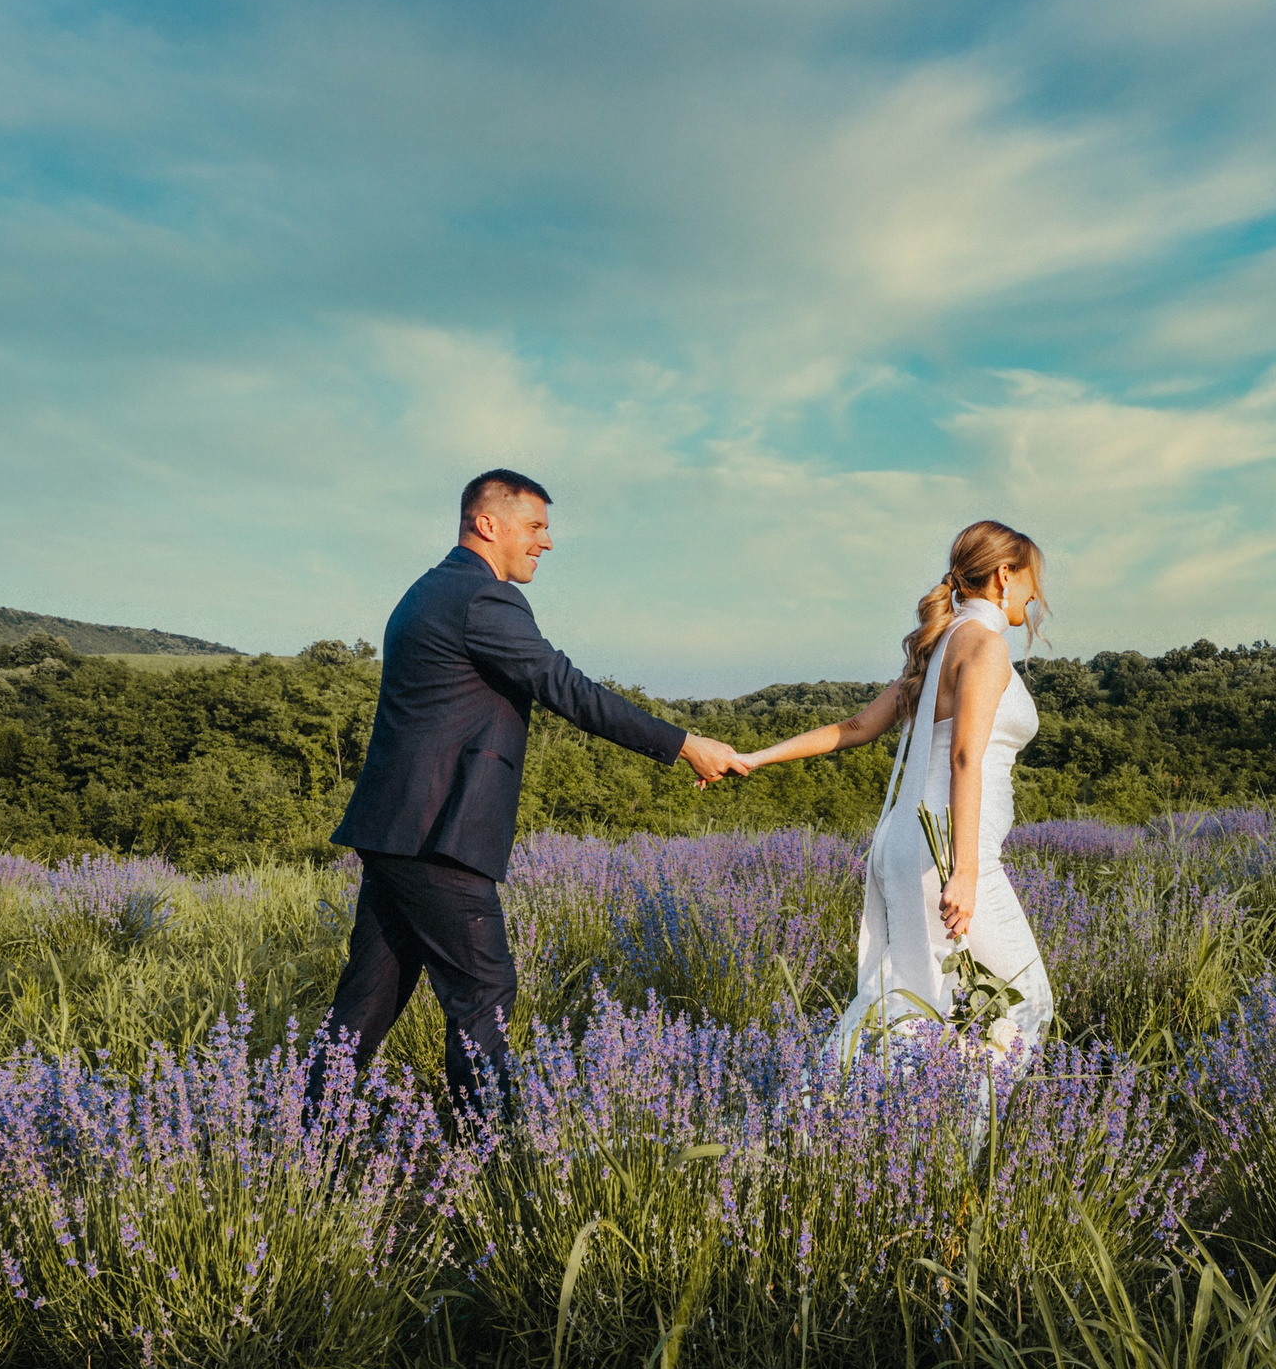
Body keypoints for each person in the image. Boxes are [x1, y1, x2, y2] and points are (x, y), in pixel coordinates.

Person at [318, 469, 745, 1109]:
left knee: (367, 998)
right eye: (536, 526)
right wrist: (684, 744)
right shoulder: (482, 598)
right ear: (488, 524)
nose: (546, 542)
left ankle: (301, 1133)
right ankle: (488, 1147)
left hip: (395, 830)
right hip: (438, 835)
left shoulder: (428, 590)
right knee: (484, 993)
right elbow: (565, 687)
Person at [733, 520, 1056, 1080]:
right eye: (1032, 580)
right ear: (1005, 575)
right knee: (1027, 1002)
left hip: (904, 847)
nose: (1036, 596)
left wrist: (754, 757)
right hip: (948, 852)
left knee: (909, 1005)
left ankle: (827, 1111)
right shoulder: (985, 646)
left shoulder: (938, 648)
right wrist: (966, 871)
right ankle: (959, 1125)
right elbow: (964, 758)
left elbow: (856, 727)